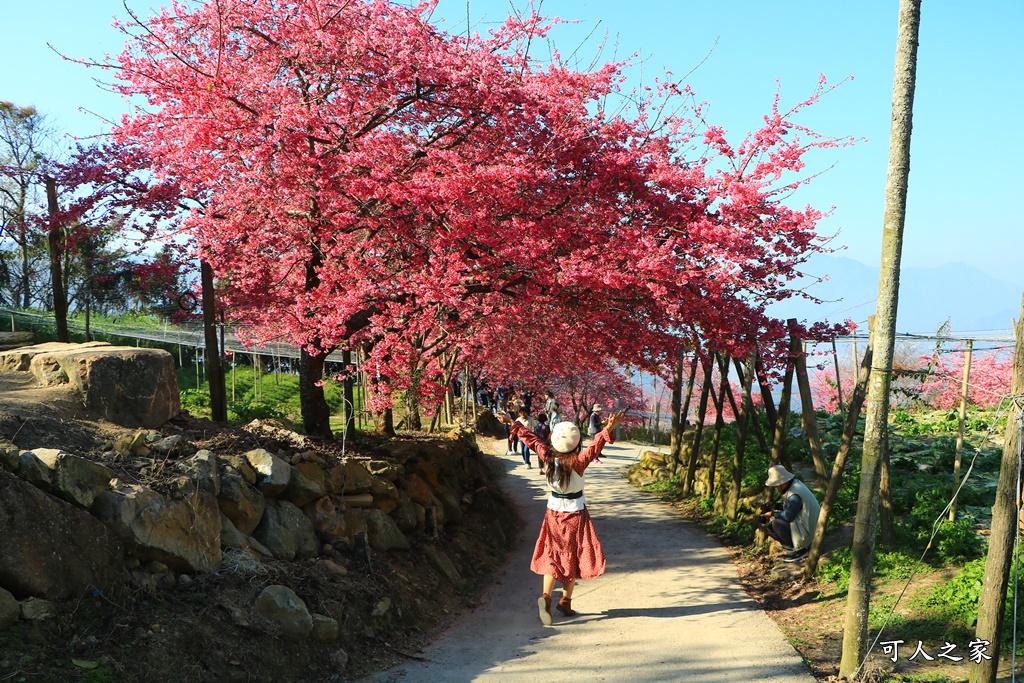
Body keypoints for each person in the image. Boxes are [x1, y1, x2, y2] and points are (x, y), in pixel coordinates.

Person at [499, 409, 626, 626]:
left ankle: (546, 596)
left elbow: (531, 439)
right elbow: (596, 444)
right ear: (576, 444)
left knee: (553, 552)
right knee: (572, 555)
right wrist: (609, 427)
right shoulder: (579, 461)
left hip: (553, 512)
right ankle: (566, 600)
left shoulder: (547, 457)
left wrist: (512, 422)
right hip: (576, 512)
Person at [758, 465, 821, 562]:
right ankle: (792, 549)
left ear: (781, 483)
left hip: (810, 531)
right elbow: (792, 509)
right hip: (806, 524)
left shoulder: (794, 495)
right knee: (768, 528)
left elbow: (788, 516)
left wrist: (772, 514)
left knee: (777, 524)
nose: (776, 488)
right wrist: (776, 506)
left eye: (776, 485)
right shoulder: (795, 485)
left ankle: (800, 550)